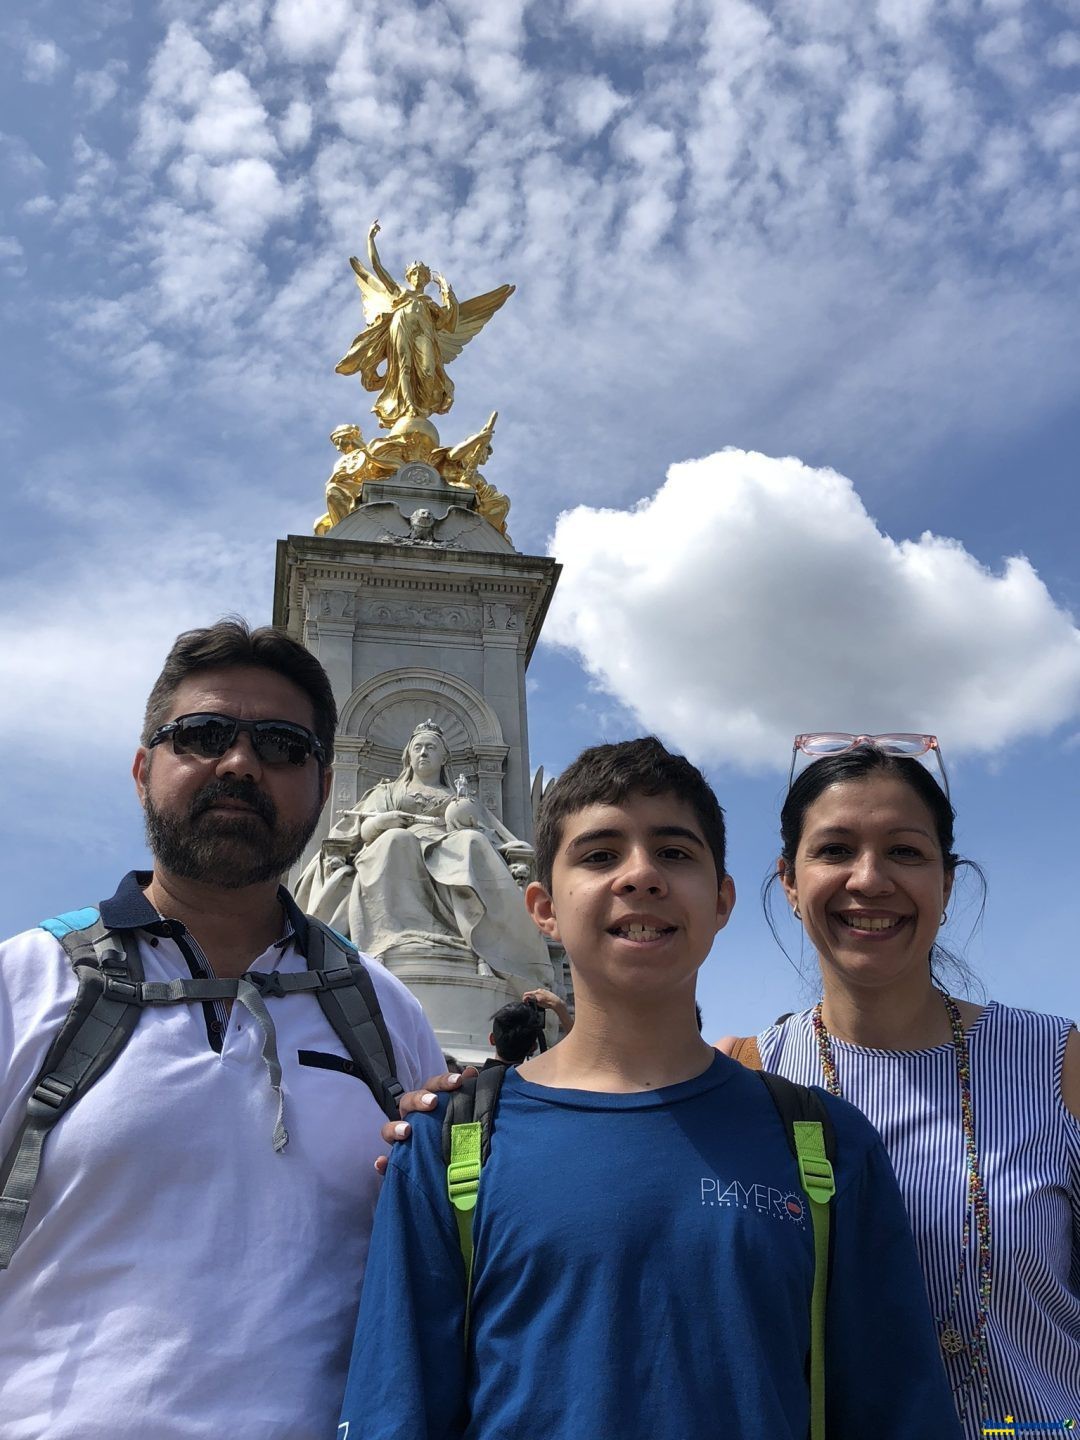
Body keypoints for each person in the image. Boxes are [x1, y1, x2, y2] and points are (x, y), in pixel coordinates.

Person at [340, 737, 961, 1439]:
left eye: (674, 853)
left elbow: (898, 1412)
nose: (640, 876)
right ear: (540, 907)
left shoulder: (829, 1142)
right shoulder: (444, 1147)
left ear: (722, 899)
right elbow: (396, 1413)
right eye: (600, 855)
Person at [0, 619, 450, 1440]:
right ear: (144, 770)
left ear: (322, 787)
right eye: (203, 736)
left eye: (281, 746)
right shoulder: (20, 984)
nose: (239, 763)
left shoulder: (389, 1015)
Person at [720, 734, 1080, 1436]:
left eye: (905, 852)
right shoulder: (744, 1075)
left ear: (945, 883)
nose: (868, 879)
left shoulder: (1059, 1064)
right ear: (789, 883)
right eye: (834, 850)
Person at [295, 720, 554, 990]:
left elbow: (492, 834)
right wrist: (382, 823)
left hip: (450, 847)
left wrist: (464, 817)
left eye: (431, 747)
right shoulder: (387, 793)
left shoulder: (459, 797)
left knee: (471, 842)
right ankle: (390, 939)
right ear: (408, 754)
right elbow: (358, 829)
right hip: (397, 846)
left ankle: (480, 942)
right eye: (417, 747)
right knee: (397, 839)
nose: (423, 752)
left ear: (444, 757)